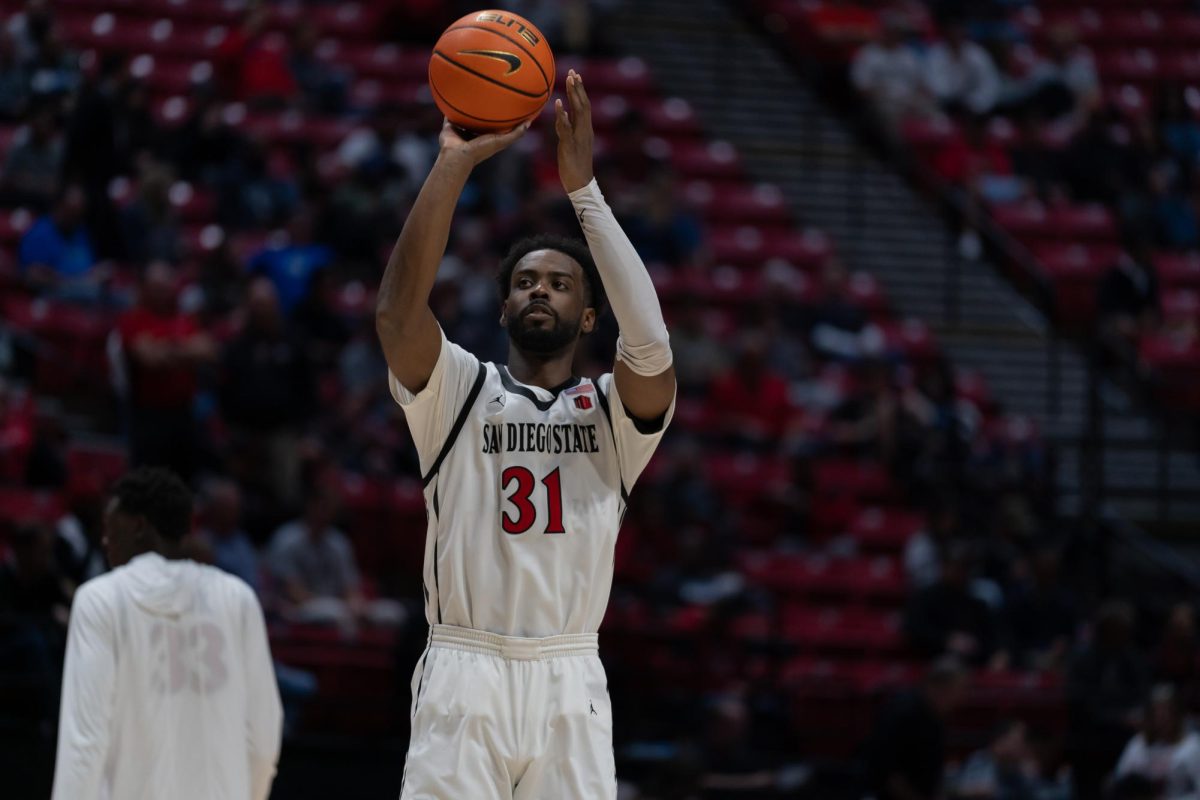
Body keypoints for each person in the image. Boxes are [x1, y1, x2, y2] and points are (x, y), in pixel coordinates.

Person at [376, 69, 675, 798]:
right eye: (525, 282)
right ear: (504, 307)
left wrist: (585, 193)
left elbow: (654, 349)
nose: (540, 288)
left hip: (569, 675)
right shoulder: (459, 390)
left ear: (589, 317)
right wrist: (453, 161)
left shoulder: (611, 416)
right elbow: (396, 316)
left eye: (562, 282)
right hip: (464, 668)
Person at [51, 467, 282, 800]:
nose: (104, 541)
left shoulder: (100, 599)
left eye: (110, 528)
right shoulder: (237, 599)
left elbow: (84, 743)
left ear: (139, 527)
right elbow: (263, 739)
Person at [864, 657, 968, 800]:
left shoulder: (936, 715)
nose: (961, 698)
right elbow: (885, 770)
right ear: (940, 686)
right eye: (959, 690)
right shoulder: (902, 711)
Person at [1114, 685, 1200, 799]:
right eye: (1157, 713)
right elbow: (1121, 782)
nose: (1162, 718)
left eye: (1167, 712)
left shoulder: (1192, 746)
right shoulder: (1138, 744)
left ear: (1177, 716)